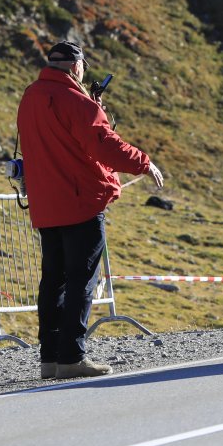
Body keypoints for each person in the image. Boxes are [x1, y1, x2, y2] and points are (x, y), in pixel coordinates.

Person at [17, 41, 164, 380]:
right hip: (80, 200)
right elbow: (104, 145)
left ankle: (50, 358)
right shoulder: (77, 101)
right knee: (80, 281)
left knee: (53, 281)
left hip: (46, 202)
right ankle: (72, 357)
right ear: (77, 66)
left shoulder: (31, 96)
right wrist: (144, 163)